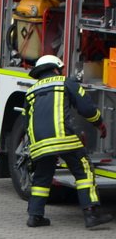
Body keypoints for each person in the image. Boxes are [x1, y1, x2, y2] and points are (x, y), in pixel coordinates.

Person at [22, 55, 112, 229]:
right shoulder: (65, 82)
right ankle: (91, 213)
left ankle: (35, 216)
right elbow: (86, 108)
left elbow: (26, 121)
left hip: (39, 143)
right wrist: (100, 124)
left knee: (42, 176)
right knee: (84, 170)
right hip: (64, 138)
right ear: (56, 69)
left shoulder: (30, 91)